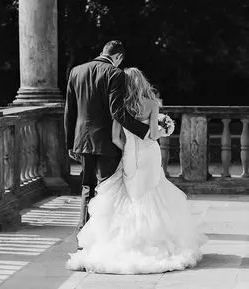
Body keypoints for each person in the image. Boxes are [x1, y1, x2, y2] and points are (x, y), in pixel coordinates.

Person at [66, 67, 206, 274]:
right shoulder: (151, 104)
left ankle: (126, 242)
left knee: (131, 194)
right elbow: (152, 136)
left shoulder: (120, 106)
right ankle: (157, 239)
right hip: (150, 153)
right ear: (142, 82)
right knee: (153, 190)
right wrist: (167, 128)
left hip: (130, 154)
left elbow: (115, 137)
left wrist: (128, 149)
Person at [64, 40, 150, 248]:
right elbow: (117, 112)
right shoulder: (115, 74)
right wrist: (144, 132)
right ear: (118, 57)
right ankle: (105, 240)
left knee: (87, 187)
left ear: (103, 51)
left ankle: (83, 237)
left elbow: (70, 111)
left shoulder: (76, 71)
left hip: (82, 141)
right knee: (107, 189)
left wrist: (70, 144)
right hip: (106, 143)